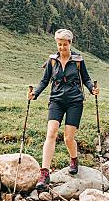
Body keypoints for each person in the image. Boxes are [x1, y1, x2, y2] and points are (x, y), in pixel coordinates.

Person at [28, 28, 99, 192]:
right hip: (56, 100)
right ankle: (44, 174)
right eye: (59, 44)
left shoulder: (78, 60)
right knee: (51, 133)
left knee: (68, 138)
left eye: (64, 45)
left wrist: (91, 89)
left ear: (70, 44)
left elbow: (86, 79)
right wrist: (35, 94)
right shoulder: (52, 60)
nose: (61, 48)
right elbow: (44, 80)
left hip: (75, 101)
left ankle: (74, 159)